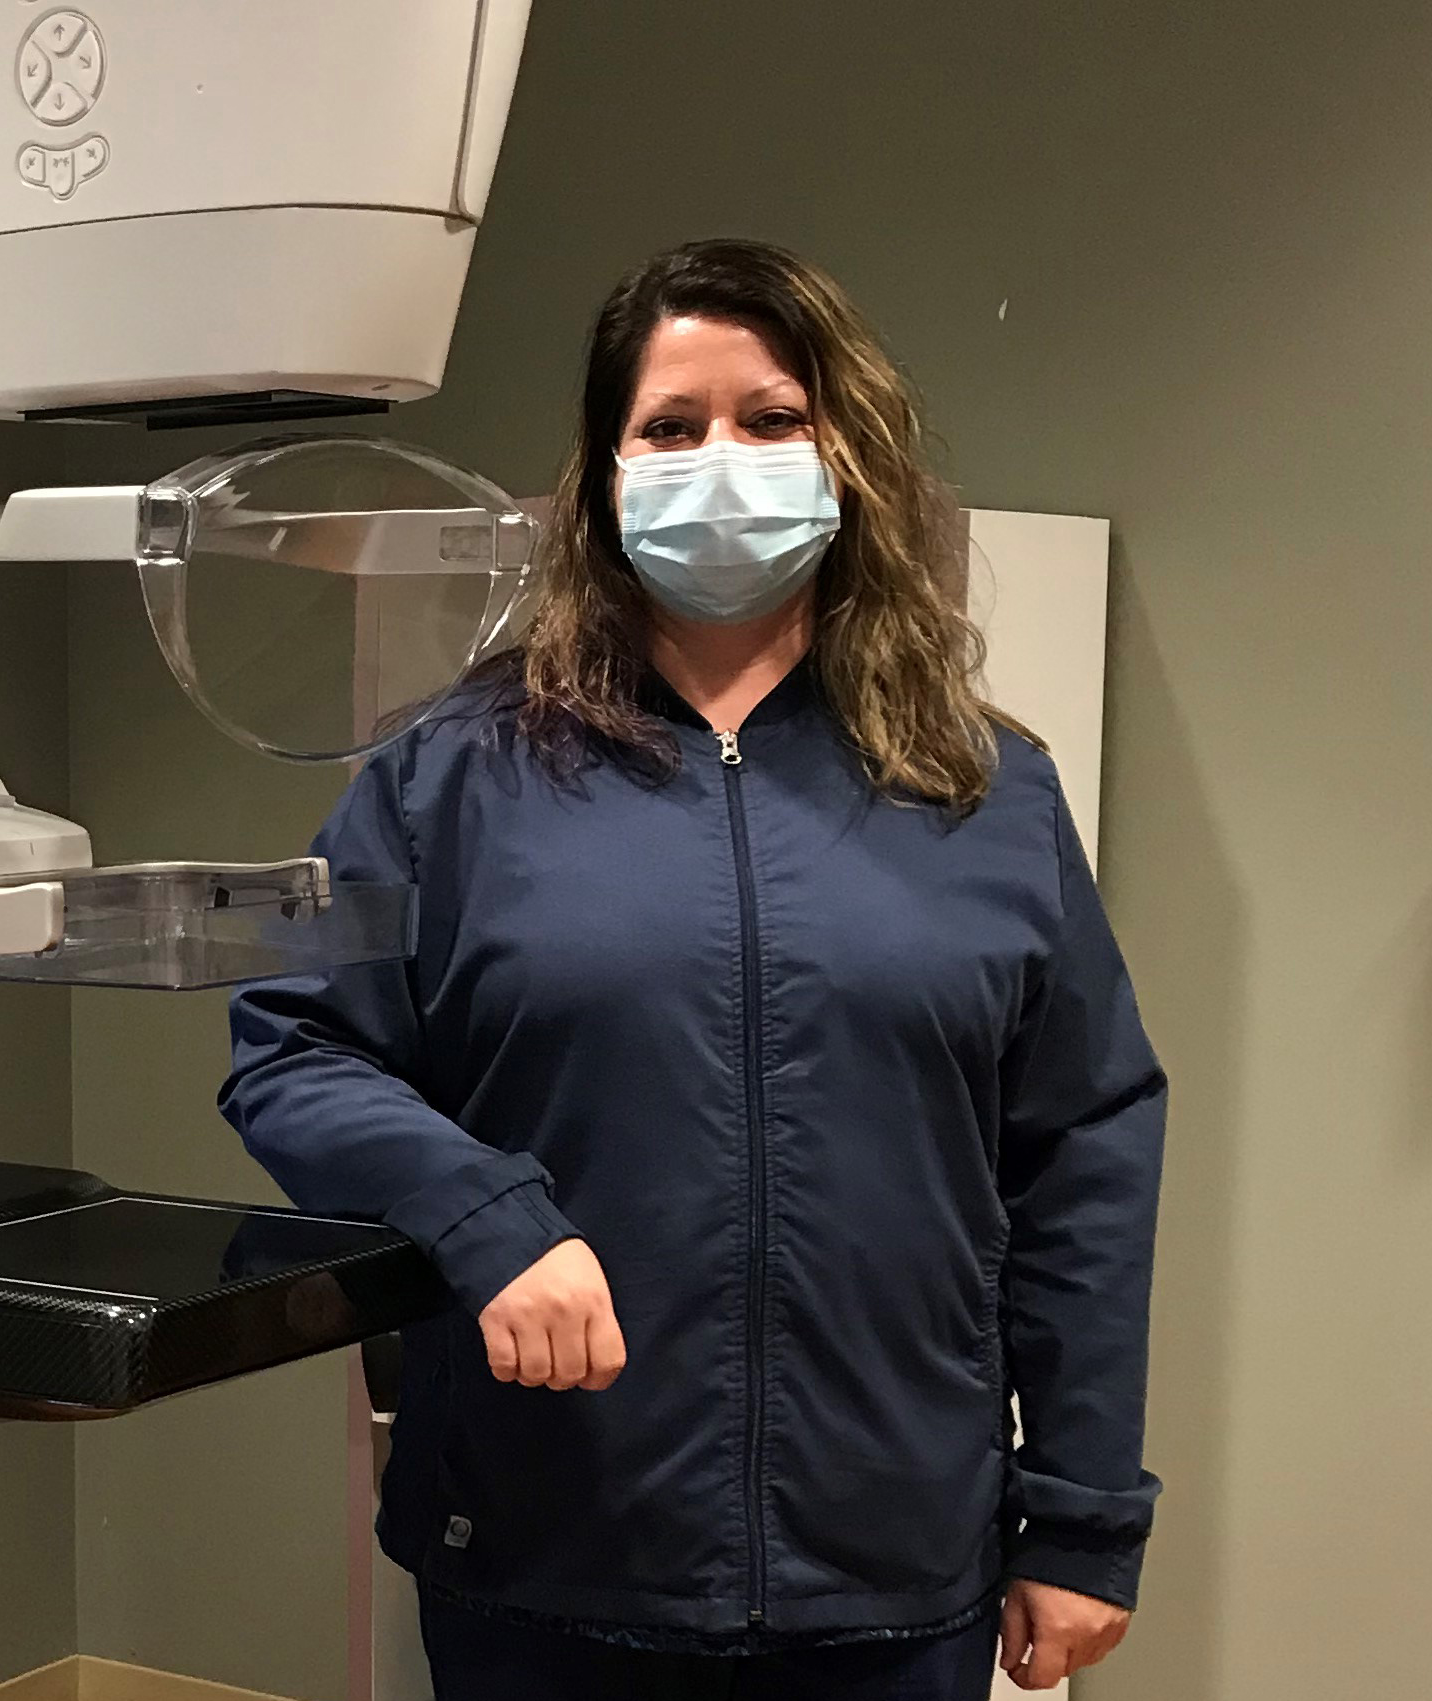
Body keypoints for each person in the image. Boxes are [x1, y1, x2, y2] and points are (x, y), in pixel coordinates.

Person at [221, 239, 1166, 1699]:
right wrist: (488, 1218)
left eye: (770, 417)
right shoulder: (456, 776)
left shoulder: (988, 792)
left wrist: (1086, 1517)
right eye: (669, 427)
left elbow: (1085, 1150)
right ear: (602, 477)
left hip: (892, 1575)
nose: (719, 458)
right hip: (551, 1558)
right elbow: (293, 1041)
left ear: (845, 455)